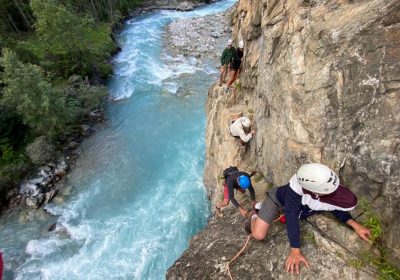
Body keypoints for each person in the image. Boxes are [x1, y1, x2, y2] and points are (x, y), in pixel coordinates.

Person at [246, 163, 371, 275]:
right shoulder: (296, 191)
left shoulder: (326, 186)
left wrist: (355, 225)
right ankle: (254, 214)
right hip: (276, 200)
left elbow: (333, 207)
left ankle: (266, 212)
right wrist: (295, 250)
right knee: (258, 235)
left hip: (293, 207)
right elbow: (291, 217)